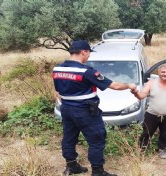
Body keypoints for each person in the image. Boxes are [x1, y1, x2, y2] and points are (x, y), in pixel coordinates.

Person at [52, 40, 136, 176]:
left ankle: (72, 166)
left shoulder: (58, 69)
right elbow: (114, 86)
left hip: (66, 109)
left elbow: (59, 92)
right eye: (89, 53)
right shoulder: (86, 71)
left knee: (69, 137)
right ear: (84, 52)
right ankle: (98, 171)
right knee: (97, 138)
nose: (89, 56)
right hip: (85, 111)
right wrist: (130, 85)